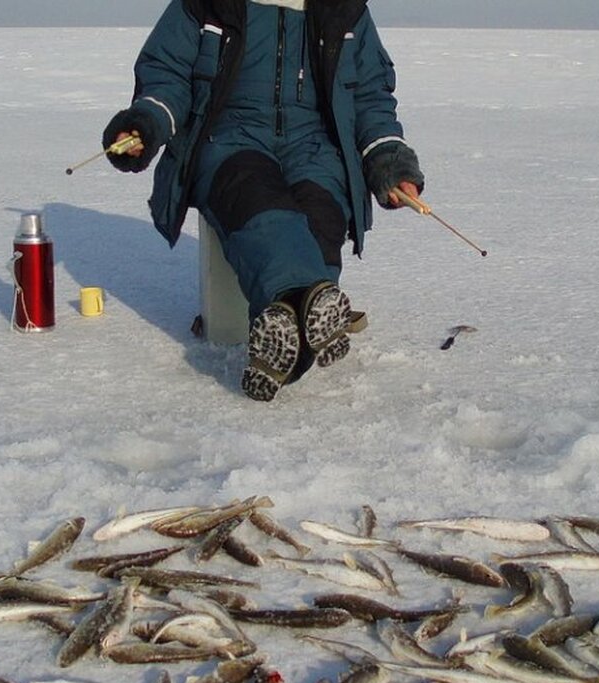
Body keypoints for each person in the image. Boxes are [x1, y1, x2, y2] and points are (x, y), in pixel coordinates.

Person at [103, 0, 425, 401]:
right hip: (230, 135)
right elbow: (167, 75)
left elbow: (370, 97)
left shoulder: (344, 9)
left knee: (322, 213)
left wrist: (389, 162)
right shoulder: (205, 4)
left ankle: (283, 335)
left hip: (315, 143)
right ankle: (306, 315)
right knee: (258, 201)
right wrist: (145, 124)